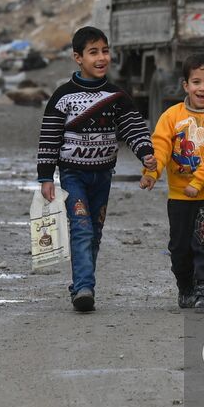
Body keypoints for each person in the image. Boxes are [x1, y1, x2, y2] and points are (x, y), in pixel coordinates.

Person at [37, 26, 157, 312]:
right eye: (93, 52)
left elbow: (133, 129)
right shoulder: (63, 96)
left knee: (95, 231)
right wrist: (45, 176)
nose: (101, 57)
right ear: (77, 58)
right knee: (81, 228)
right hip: (72, 175)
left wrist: (146, 154)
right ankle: (84, 288)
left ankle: (80, 282)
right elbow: (50, 136)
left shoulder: (117, 97)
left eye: (105, 51)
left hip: (103, 175)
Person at [141, 52, 204, 313]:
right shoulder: (171, 116)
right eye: (196, 82)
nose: (201, 88)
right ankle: (185, 286)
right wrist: (151, 173)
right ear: (185, 85)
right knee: (179, 247)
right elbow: (159, 147)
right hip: (179, 196)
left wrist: (200, 181)